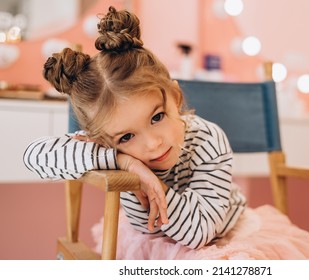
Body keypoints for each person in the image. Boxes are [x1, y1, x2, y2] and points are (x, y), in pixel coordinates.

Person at [23, 6, 246, 250]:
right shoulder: (108, 145)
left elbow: (199, 232)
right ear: (104, 140)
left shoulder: (207, 140)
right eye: (127, 137)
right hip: (150, 241)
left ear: (175, 97)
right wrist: (124, 162)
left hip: (218, 239)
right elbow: (34, 157)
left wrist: (150, 184)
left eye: (157, 117)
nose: (152, 144)